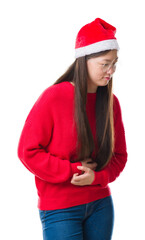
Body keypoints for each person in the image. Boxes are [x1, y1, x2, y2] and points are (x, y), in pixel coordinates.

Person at [17, 18, 128, 240]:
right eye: (105, 64)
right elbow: (27, 152)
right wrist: (72, 171)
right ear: (84, 60)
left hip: (101, 205)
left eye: (114, 63)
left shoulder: (110, 103)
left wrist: (97, 177)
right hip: (60, 209)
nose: (111, 71)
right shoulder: (54, 96)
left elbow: (119, 156)